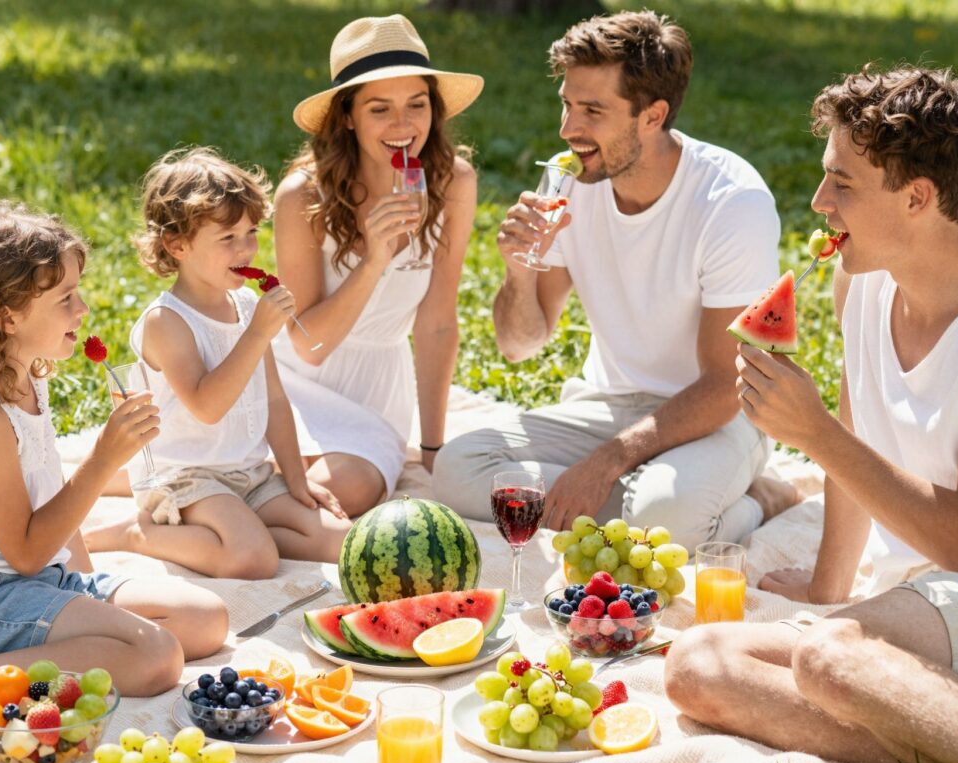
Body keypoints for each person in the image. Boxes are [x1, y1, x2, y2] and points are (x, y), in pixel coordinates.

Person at [663, 66, 958, 763]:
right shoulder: (862, 282)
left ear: (918, 197)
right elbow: (856, 427)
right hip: (941, 594)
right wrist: (827, 587)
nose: (820, 203)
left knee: (828, 659)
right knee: (699, 667)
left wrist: (811, 433)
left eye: (842, 184)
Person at [432, 10, 797, 546]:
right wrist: (519, 273)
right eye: (567, 105)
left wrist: (606, 462)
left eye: (592, 111)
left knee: (664, 517)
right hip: (607, 405)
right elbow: (518, 345)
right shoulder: (572, 182)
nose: (568, 130)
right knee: (457, 467)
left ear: (653, 116)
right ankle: (651, 505)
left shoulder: (730, 203)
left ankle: (761, 499)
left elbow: (726, 385)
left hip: (717, 416)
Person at [0, 203, 228, 717]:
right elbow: (26, 554)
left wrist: (85, 598)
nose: (83, 309)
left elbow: (52, 503)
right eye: (65, 298)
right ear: (7, 318)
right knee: (157, 657)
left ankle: (41, 648)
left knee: (207, 618)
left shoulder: (29, 377)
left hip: (39, 581)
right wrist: (102, 459)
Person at [84, 148, 351, 578]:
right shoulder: (166, 322)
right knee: (254, 560)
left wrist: (296, 479)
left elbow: (275, 400)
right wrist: (257, 333)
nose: (246, 248)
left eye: (251, 232)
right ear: (178, 245)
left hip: (250, 473)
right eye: (227, 238)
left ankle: (240, 529)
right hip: (189, 477)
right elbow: (207, 407)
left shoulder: (246, 305)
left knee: (341, 540)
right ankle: (136, 533)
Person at [272, 14, 483, 515]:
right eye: (379, 108)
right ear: (347, 116)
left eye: (417, 104)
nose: (403, 126)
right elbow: (307, 345)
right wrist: (373, 260)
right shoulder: (304, 196)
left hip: (376, 388)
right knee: (239, 472)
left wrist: (432, 449)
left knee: (342, 493)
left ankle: (220, 513)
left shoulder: (453, 183)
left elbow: (436, 323)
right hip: (288, 381)